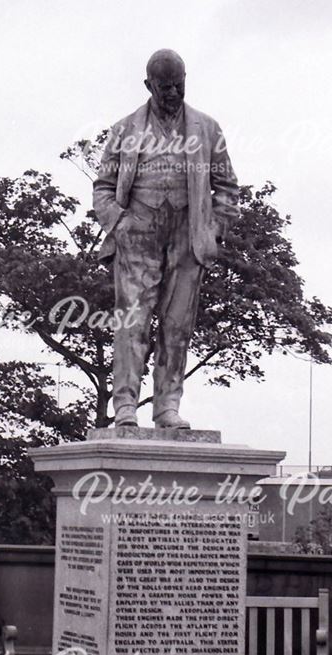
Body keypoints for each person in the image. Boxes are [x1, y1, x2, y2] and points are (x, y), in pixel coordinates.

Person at [93, 48, 239, 430]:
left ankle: (167, 408)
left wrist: (213, 230)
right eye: (165, 87)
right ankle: (125, 406)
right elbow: (103, 187)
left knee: (177, 326)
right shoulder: (124, 129)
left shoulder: (208, 129)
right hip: (136, 234)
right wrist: (120, 224)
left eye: (179, 85)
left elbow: (226, 187)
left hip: (187, 236)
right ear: (148, 85)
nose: (173, 93)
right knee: (131, 324)